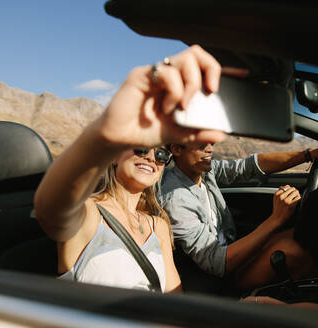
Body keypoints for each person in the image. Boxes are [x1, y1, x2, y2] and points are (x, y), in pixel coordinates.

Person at [34, 45, 229, 293]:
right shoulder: (90, 214)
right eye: (140, 148)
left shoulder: (158, 226)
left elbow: (174, 298)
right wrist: (104, 135)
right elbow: (50, 210)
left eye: (160, 154)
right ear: (114, 155)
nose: (151, 157)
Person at [160, 138, 318, 289]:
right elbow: (216, 264)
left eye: (211, 142)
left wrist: (312, 154)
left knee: (297, 233)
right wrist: (275, 219)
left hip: (232, 250)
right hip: (218, 277)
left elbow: (248, 167)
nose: (210, 148)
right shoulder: (175, 199)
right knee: (290, 251)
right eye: (202, 143)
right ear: (177, 149)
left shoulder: (203, 171)